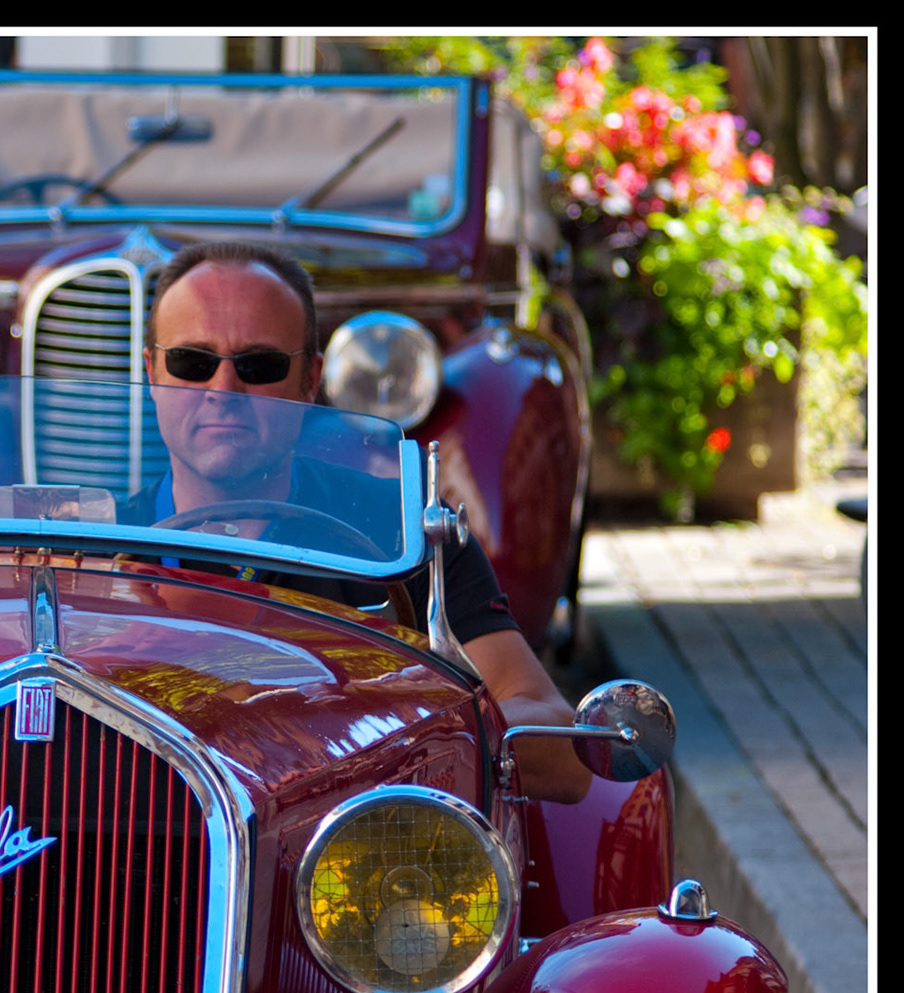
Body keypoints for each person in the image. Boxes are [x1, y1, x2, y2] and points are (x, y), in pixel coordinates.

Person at [126, 240, 592, 804]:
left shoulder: (403, 533)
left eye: (260, 366)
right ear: (151, 372)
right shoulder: (82, 552)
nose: (223, 391)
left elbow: (557, 746)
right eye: (192, 363)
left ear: (310, 380)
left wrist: (370, 718)